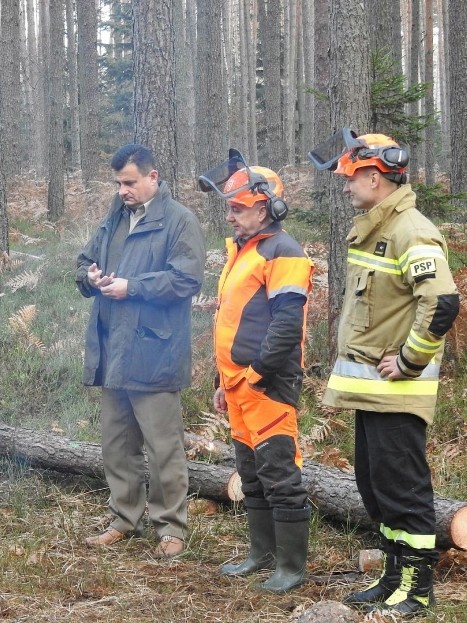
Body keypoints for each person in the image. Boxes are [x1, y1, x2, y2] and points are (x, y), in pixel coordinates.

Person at [309, 129, 460, 615]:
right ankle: (393, 577)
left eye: (351, 179)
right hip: (371, 393)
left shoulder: (409, 229)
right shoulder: (377, 228)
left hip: (396, 392)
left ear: (374, 178)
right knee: (376, 488)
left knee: (403, 489)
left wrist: (411, 360)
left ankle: (416, 588)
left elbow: (441, 302)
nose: (347, 188)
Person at [76, 144, 205, 559]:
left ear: (153, 177)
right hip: (113, 348)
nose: (122, 190)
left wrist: (134, 287)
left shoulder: (179, 220)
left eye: (129, 182)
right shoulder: (115, 217)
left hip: (155, 351)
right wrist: (90, 277)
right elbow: (82, 264)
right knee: (117, 444)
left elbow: (186, 280)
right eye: (118, 183)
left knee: (163, 446)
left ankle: (170, 527)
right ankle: (124, 519)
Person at [198, 152, 314, 593]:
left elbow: (286, 325)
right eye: (228, 207)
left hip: (268, 383)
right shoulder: (242, 251)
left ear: (263, 208)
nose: (229, 216)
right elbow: (231, 321)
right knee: (250, 474)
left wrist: (257, 374)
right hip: (238, 383)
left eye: (236, 208)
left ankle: (290, 568)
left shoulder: (284, 252)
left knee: (279, 473)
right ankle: (260, 554)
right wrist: (222, 381)